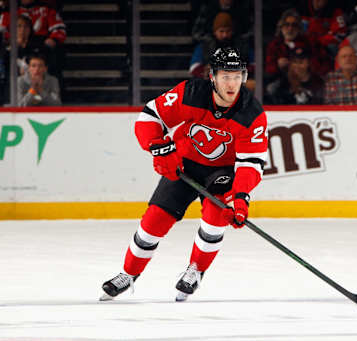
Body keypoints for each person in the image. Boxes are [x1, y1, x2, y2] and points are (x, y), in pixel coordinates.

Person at [100, 47, 268, 302]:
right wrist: (159, 149)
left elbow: (251, 162)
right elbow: (150, 116)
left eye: (237, 76)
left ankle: (196, 270)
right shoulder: (191, 93)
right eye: (225, 76)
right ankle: (128, 274)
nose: (232, 83)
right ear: (212, 76)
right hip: (185, 163)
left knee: (214, 222)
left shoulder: (252, 113)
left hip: (222, 172)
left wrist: (241, 197)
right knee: (153, 223)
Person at [265, 8, 330, 87]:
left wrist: (308, 65)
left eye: (294, 25)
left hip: (308, 80)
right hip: (283, 82)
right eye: (287, 24)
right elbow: (268, 69)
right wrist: (278, 65)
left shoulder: (310, 42)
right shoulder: (274, 45)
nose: (290, 28)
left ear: (299, 28)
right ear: (281, 27)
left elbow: (323, 63)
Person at [189, 12, 254, 90]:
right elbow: (194, 68)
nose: (225, 35)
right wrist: (207, 70)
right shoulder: (204, 46)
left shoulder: (242, 45)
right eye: (221, 31)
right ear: (215, 32)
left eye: (228, 31)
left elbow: (254, 65)